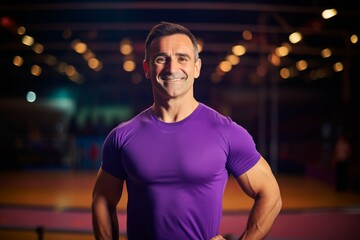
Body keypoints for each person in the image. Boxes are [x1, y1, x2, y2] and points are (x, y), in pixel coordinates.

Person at [91, 21, 282, 240]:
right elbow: (102, 199)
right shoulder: (121, 137)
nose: (172, 68)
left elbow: (271, 195)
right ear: (147, 68)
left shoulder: (226, 132)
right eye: (161, 59)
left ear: (196, 67)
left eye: (182, 58)